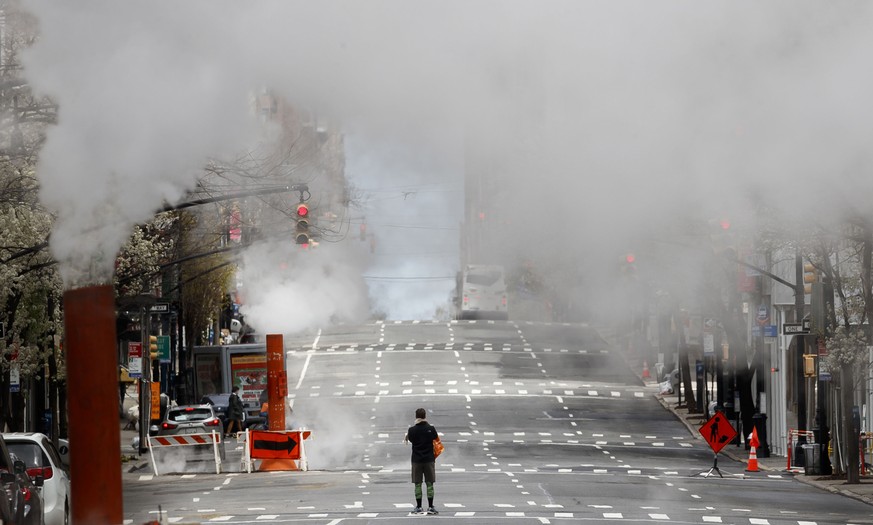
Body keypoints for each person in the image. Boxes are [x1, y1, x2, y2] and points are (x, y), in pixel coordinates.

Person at [404, 407, 439, 515]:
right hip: (429, 459)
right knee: (429, 483)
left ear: (416, 416)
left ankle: (419, 507)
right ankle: (430, 506)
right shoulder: (431, 429)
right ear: (425, 416)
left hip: (416, 460)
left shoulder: (411, 430)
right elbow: (435, 438)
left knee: (417, 484)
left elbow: (410, 440)